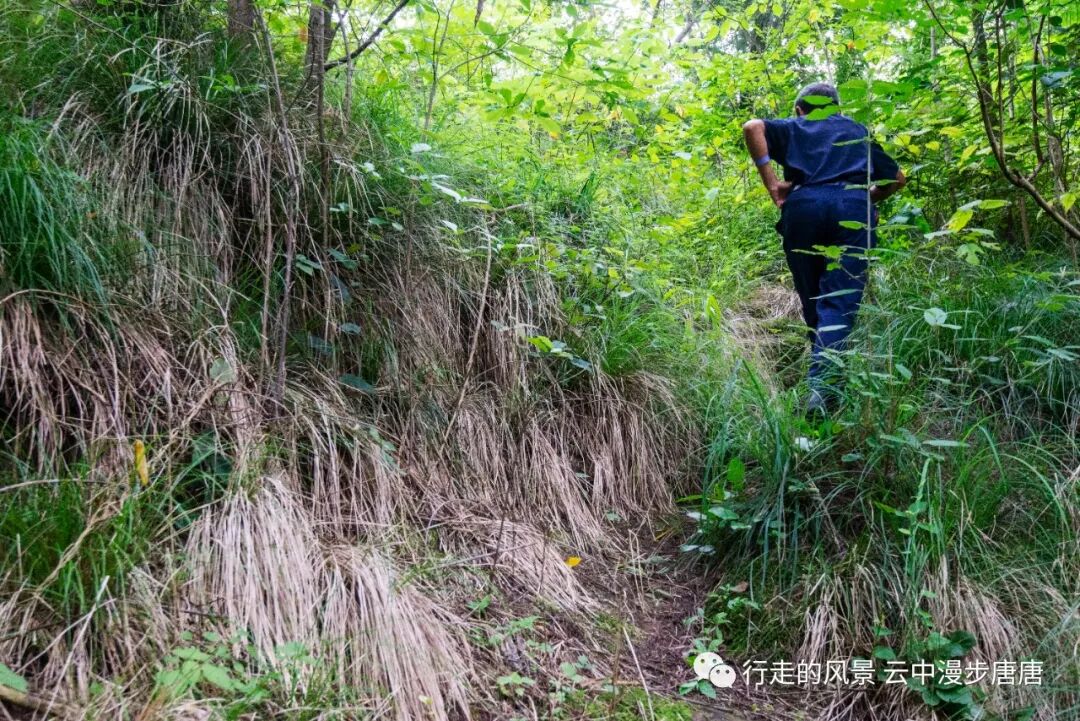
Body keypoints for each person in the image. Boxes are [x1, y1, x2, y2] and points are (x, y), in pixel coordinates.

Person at [742, 82, 906, 414]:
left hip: (803, 208)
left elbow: (752, 126)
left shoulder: (795, 126)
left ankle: (824, 382)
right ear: (836, 109)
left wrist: (773, 184)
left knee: (812, 298)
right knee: (841, 300)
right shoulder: (855, 130)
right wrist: (866, 197)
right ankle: (823, 387)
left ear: (800, 109)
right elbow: (897, 179)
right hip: (850, 207)